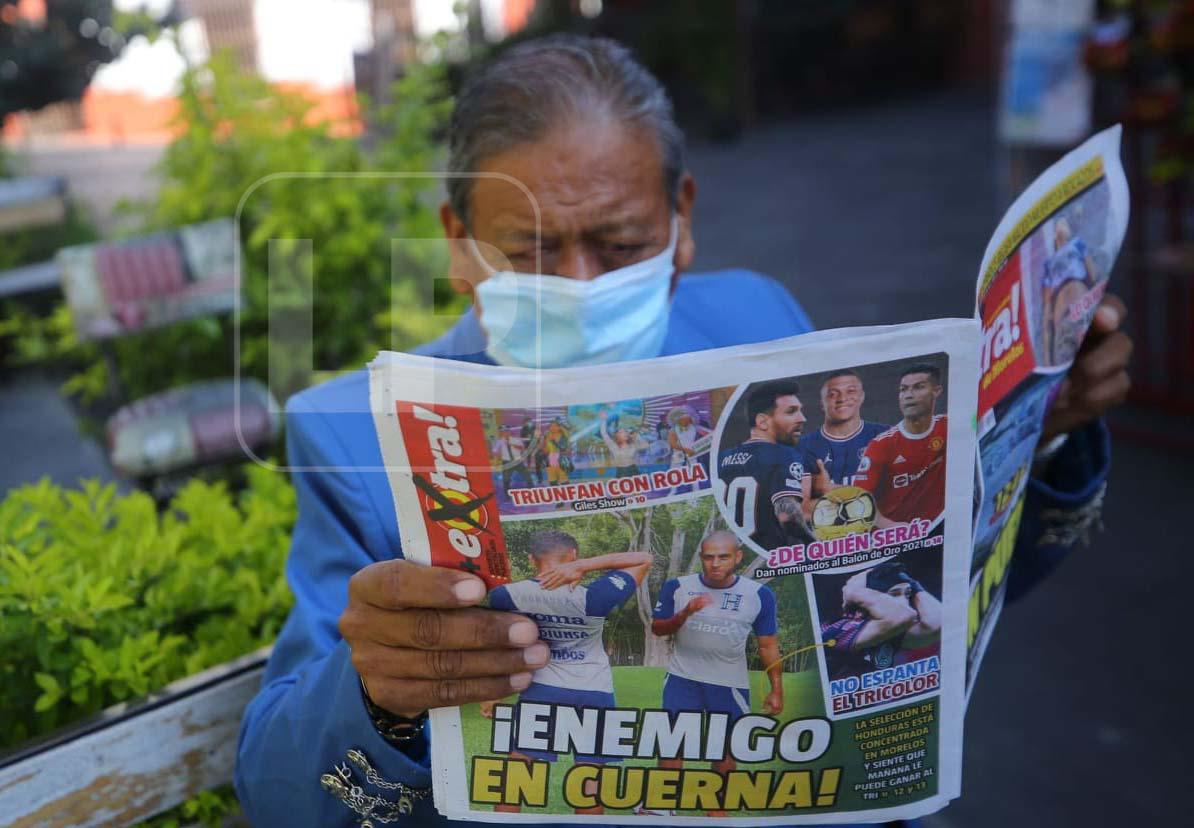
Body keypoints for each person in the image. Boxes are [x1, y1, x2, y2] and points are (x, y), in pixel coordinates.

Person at [235, 34, 1131, 828]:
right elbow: (282, 799)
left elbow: (942, 580)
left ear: (682, 219)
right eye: (533, 250)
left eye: (621, 245)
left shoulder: (759, 319)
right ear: (459, 242)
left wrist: (1035, 436)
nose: (582, 285)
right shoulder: (353, 438)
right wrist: (376, 693)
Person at [479, 530, 650, 815]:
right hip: (595, 691)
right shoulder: (596, 595)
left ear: (532, 559)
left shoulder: (507, 595)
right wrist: (583, 566)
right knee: (589, 784)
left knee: (515, 778)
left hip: (542, 689)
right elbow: (644, 559)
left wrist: (491, 692)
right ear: (573, 555)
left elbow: (498, 646)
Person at [650, 530, 782, 816]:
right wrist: (685, 613)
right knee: (672, 742)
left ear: (738, 557)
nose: (715, 563)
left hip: (729, 682)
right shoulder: (678, 586)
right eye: (709, 557)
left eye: (723, 557)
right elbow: (658, 629)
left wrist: (776, 689)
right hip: (682, 678)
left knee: (726, 748)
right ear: (701, 557)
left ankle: (717, 810)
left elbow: (768, 645)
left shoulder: (759, 594)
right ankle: (664, 805)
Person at [717, 380, 812, 550]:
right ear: (762, 422)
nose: (802, 418)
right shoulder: (783, 454)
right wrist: (815, 544)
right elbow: (787, 516)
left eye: (800, 410)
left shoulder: (721, 458)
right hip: (770, 554)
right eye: (791, 412)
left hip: (738, 554)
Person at [854, 364, 948, 527]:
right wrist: (889, 526)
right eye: (903, 389)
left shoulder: (948, 426)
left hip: (939, 528)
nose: (908, 395)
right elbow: (859, 499)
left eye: (918, 387)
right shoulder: (881, 445)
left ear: (937, 391)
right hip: (897, 535)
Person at [820, 560, 942, 680]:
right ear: (864, 600)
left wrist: (913, 584)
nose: (905, 602)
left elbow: (936, 624)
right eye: (894, 594)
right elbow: (904, 615)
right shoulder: (837, 629)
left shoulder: (891, 629)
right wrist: (853, 592)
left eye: (907, 594)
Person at [799, 370, 890, 522]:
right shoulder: (802, 447)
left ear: (862, 396)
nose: (842, 399)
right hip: (830, 535)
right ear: (822, 402)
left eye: (851, 391)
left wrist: (831, 491)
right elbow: (801, 512)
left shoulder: (886, 436)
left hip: (881, 533)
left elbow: (901, 496)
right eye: (833, 394)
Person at [598, 408, 647, 476]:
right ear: (617, 436)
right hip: (621, 472)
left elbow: (645, 445)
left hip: (634, 471)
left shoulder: (633, 445)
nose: (624, 433)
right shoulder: (613, 446)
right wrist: (604, 420)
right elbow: (604, 433)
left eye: (625, 431)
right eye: (621, 432)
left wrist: (637, 436)